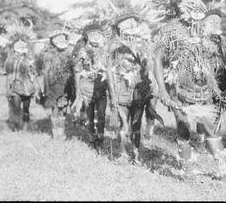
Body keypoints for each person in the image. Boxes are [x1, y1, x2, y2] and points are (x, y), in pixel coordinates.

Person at [150, 0, 226, 180]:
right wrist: (163, 91)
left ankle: (223, 169)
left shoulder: (206, 26)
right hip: (179, 89)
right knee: (183, 128)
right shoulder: (170, 29)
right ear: (179, 4)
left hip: (203, 89)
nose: (194, 2)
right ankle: (188, 170)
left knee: (210, 128)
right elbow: (157, 59)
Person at [106, 13, 156, 163]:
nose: (131, 29)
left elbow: (150, 68)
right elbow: (109, 72)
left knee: (136, 123)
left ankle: (136, 152)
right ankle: (122, 152)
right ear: (120, 30)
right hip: (121, 90)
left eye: (133, 25)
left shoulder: (145, 46)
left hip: (139, 91)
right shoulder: (114, 47)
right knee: (124, 124)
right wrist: (113, 94)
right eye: (127, 26)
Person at [71, 21, 108, 154]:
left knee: (102, 115)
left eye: (98, 34)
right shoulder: (82, 51)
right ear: (87, 37)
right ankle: (92, 138)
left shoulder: (105, 52)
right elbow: (77, 71)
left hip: (102, 89)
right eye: (93, 35)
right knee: (90, 114)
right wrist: (78, 91)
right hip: (87, 87)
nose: (96, 37)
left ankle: (100, 139)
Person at [2, 20, 41, 132]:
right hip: (15, 87)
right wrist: (7, 89)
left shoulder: (29, 60)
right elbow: (8, 75)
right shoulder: (10, 60)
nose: (21, 52)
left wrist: (37, 88)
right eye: (19, 50)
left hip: (27, 88)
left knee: (26, 108)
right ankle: (17, 127)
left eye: (22, 49)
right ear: (15, 50)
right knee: (16, 108)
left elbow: (33, 75)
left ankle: (25, 127)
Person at [41, 31, 74, 135]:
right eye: (57, 39)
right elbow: (46, 73)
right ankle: (56, 133)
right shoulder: (49, 55)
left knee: (64, 107)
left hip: (67, 84)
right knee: (55, 107)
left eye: (62, 39)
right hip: (54, 85)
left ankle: (61, 131)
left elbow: (73, 70)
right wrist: (47, 89)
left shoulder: (69, 54)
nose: (60, 42)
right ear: (53, 42)